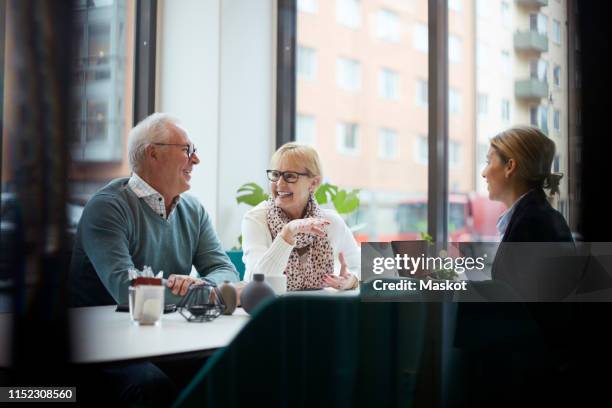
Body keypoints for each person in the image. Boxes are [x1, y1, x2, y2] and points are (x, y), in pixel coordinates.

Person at [70, 112, 239, 307]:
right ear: (153, 153)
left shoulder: (194, 210)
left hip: (163, 326)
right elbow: (128, 291)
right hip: (104, 332)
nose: (196, 159)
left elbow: (226, 271)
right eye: (187, 149)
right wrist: (209, 294)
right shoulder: (106, 208)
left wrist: (200, 285)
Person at [241, 143, 360, 291]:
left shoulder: (331, 222)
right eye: (276, 175)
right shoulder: (256, 219)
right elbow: (259, 282)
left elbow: (362, 266)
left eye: (290, 176)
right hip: (268, 309)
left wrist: (352, 280)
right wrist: (287, 233)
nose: (279, 183)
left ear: (314, 183)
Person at [481, 125, 575, 298]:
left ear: (510, 166)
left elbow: (516, 307)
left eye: (488, 162)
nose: (483, 173)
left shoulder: (532, 224)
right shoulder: (533, 216)